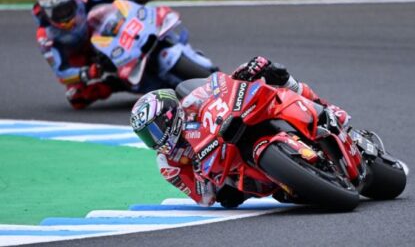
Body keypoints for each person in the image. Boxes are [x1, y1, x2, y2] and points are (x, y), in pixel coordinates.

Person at [130, 56, 350, 208]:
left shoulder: (190, 103)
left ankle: (325, 108)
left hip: (240, 119)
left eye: (154, 130)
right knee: (255, 196)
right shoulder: (168, 164)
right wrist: (213, 184)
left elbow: (219, 86)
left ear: (169, 115)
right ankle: (299, 177)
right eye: (147, 136)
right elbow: (203, 197)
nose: (154, 139)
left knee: (276, 77)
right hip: (234, 170)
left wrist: (246, 72)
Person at [33, 0, 153, 109]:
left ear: (72, 0)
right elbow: (61, 72)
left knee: (112, 14)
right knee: (76, 98)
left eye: (66, 8)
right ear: (46, 12)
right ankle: (117, 84)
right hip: (76, 56)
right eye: (58, 11)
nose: (64, 14)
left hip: (96, 33)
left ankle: (147, 37)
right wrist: (86, 73)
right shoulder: (45, 35)